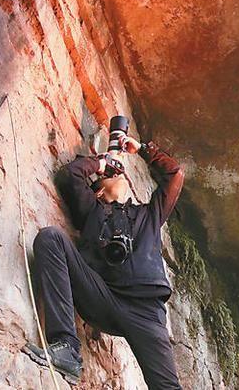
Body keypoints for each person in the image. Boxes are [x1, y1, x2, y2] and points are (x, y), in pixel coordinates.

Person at [23, 135, 184, 389]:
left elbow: (175, 176)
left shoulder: (148, 215)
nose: (119, 175)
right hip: (103, 298)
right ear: (99, 190)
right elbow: (70, 175)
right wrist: (101, 163)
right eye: (111, 176)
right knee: (51, 238)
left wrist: (142, 149)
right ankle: (66, 349)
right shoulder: (92, 211)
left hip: (146, 312)